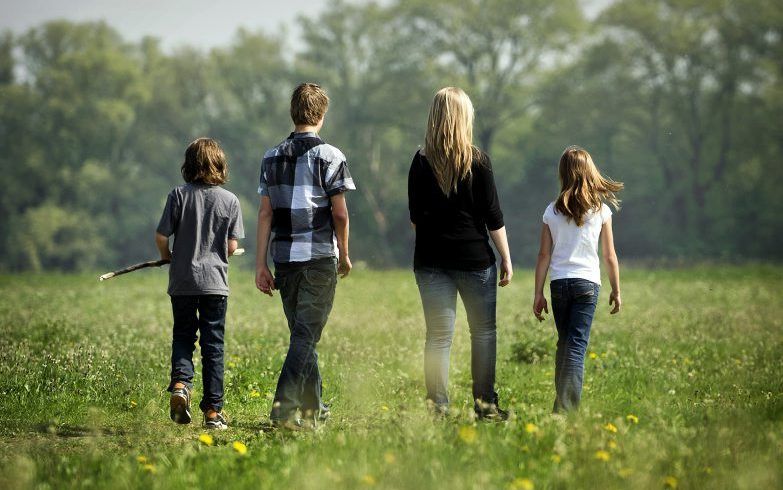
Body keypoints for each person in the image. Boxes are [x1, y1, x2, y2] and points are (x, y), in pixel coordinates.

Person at [408, 87, 513, 421]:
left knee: (438, 337)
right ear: (464, 117)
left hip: (430, 262)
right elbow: (493, 217)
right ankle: (486, 407)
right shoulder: (478, 161)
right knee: (483, 334)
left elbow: (414, 218)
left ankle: (436, 408)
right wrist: (507, 258)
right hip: (474, 260)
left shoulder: (420, 161)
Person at [255, 82, 355, 429]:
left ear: (293, 113)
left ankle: (314, 410)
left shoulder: (270, 156)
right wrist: (344, 253)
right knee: (305, 336)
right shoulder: (331, 156)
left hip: (283, 260)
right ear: (321, 115)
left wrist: (260, 264)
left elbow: (265, 214)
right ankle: (283, 409)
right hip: (318, 259)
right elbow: (340, 214)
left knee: (302, 334)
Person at [155, 137, 244, 429]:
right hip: (214, 285)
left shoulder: (177, 195)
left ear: (188, 165)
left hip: (182, 281)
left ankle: (181, 385)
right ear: (219, 165)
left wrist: (166, 256)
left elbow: (161, 236)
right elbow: (231, 247)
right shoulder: (230, 201)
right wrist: (225, 250)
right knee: (213, 346)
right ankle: (213, 413)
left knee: (183, 336)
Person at [533, 145, 623, 412]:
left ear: (563, 173)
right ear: (589, 172)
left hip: (560, 283)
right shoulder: (600, 210)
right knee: (575, 346)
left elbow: (543, 255)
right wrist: (616, 290)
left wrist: (538, 293)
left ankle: (560, 406)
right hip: (587, 284)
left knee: (565, 344)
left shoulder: (552, 210)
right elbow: (609, 256)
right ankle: (566, 410)